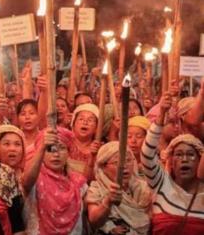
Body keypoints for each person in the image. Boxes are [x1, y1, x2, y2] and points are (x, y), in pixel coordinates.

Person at [141, 91, 204, 235]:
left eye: (190, 155)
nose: (184, 159)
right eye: (179, 154)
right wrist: (162, 113)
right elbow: (147, 154)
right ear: (170, 160)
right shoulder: (161, 184)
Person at [22, 128, 86, 235]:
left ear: (68, 152)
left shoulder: (78, 183)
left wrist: (107, 202)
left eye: (61, 148)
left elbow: (94, 219)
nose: (56, 154)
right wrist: (43, 146)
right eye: (49, 149)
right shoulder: (35, 179)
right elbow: (26, 182)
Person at [86, 141, 152, 235]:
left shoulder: (144, 188)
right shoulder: (96, 188)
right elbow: (94, 220)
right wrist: (107, 202)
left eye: (129, 160)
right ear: (103, 166)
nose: (124, 166)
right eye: (117, 162)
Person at [67, 103, 101, 179]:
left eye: (90, 120)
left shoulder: (101, 149)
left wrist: (93, 157)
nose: (85, 122)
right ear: (73, 124)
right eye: (81, 119)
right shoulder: (65, 143)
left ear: (96, 128)